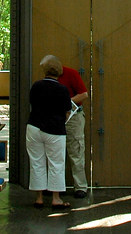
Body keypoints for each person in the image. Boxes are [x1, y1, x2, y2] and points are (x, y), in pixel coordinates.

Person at [27, 55, 72, 209]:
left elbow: (32, 103)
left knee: (36, 162)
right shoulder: (63, 89)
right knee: (56, 163)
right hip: (55, 129)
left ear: (45, 71)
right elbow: (67, 111)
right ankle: (56, 198)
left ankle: (39, 198)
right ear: (59, 72)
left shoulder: (36, 86)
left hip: (34, 127)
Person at [42, 54, 89, 199]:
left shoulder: (71, 74)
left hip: (73, 117)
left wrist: (65, 101)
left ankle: (80, 187)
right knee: (55, 153)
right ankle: (56, 186)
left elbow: (84, 94)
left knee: (76, 151)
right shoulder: (47, 79)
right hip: (55, 118)